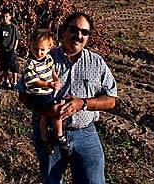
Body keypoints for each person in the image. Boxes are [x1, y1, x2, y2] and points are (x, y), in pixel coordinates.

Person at [18, 12, 117, 184]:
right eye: (74, 29)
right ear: (63, 31)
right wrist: (47, 110)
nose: (79, 36)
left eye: (84, 32)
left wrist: (83, 104)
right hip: (50, 134)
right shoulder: (43, 58)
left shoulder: (97, 63)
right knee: (52, 180)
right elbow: (23, 93)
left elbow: (111, 99)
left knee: (93, 181)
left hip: (86, 134)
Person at [21, 30, 69, 150]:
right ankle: (59, 134)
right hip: (37, 94)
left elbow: (52, 71)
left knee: (45, 116)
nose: (39, 52)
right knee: (56, 110)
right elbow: (33, 81)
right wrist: (49, 84)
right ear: (30, 46)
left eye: (42, 50)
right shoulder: (30, 63)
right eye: (35, 49)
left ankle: (45, 139)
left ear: (49, 48)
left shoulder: (48, 59)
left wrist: (56, 79)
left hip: (48, 92)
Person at [0, 7, 20, 89]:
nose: (5, 18)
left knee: (14, 67)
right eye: (3, 16)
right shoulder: (0, 27)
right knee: (5, 67)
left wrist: (14, 49)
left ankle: (15, 82)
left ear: (10, 17)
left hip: (11, 50)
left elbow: (17, 38)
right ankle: (6, 81)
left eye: (6, 16)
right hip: (3, 50)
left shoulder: (13, 27)